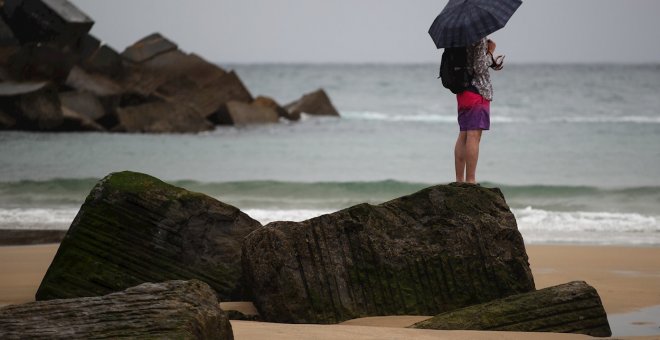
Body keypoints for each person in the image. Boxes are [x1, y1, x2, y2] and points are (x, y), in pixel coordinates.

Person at [454, 37, 504, 184]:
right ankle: (470, 180)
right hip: (478, 91)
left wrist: (490, 59)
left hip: (462, 90)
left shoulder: (458, 35)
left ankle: (459, 180)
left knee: (463, 135)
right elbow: (479, 68)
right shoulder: (478, 36)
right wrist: (490, 52)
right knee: (473, 136)